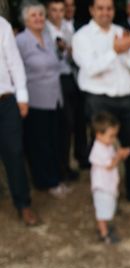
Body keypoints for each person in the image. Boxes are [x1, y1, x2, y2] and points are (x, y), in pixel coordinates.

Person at [73, 0, 130, 205]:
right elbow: (90, 68)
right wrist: (115, 51)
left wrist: (127, 52)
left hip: (126, 100)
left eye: (109, 8)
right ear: (92, 9)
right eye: (100, 8)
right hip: (98, 100)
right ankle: (103, 197)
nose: (105, 12)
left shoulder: (121, 31)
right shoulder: (81, 36)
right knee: (101, 150)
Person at [17, 0, 69, 198]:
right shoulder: (21, 41)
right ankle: (46, 182)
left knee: (54, 140)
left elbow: (57, 62)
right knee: (40, 144)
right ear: (25, 20)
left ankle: (54, 178)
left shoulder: (48, 36)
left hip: (55, 99)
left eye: (40, 14)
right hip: (35, 100)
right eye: (33, 15)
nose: (38, 18)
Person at [0, 14, 40, 226]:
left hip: (5, 101)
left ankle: (23, 204)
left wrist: (22, 97)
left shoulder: (2, 25)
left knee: (14, 152)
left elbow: (14, 63)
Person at [46, 0, 81, 180]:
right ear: (48, 11)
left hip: (70, 78)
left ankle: (66, 165)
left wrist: (68, 50)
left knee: (69, 125)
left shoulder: (67, 29)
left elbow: (74, 56)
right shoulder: (44, 30)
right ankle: (60, 167)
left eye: (61, 10)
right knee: (61, 125)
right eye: (54, 10)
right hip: (53, 81)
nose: (58, 13)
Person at [89, 112, 130, 243]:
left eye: (115, 136)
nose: (113, 139)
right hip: (102, 187)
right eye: (111, 136)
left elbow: (113, 158)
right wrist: (119, 155)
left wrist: (120, 154)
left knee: (107, 208)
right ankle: (104, 233)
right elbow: (109, 165)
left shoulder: (106, 145)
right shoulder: (97, 149)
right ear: (99, 135)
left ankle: (104, 226)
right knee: (102, 211)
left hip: (108, 185)